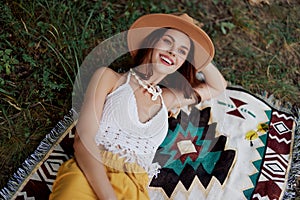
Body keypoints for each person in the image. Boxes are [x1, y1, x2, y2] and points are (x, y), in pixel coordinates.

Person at [49, 13, 227, 200]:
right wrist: (109, 197)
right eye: (167, 41)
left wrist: (199, 54)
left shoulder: (167, 99)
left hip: (135, 188)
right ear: (150, 42)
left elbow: (218, 86)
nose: (173, 52)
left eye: (182, 52)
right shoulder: (110, 79)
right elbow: (83, 139)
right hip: (89, 175)